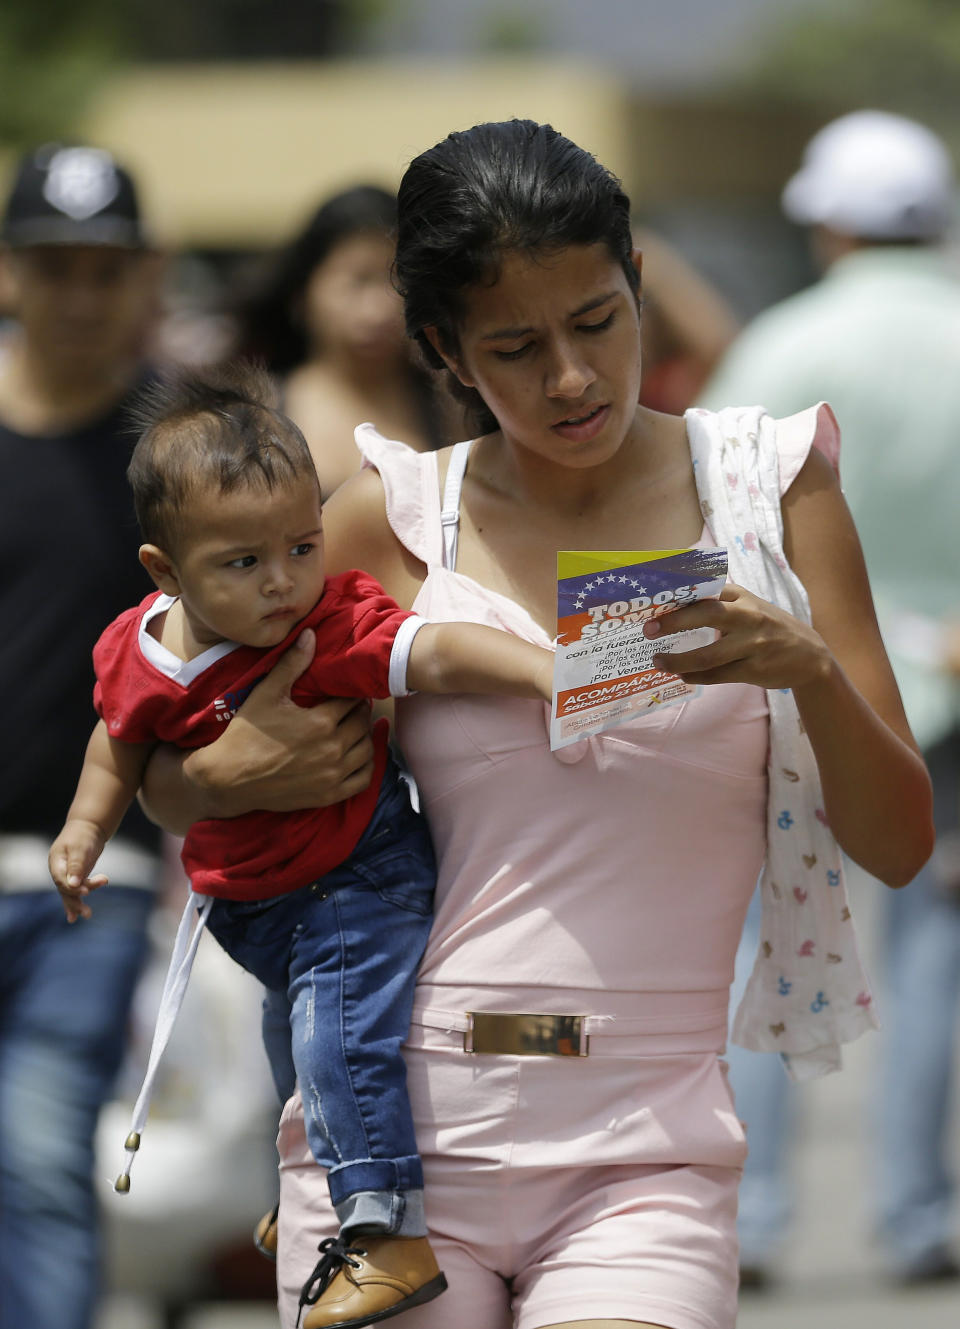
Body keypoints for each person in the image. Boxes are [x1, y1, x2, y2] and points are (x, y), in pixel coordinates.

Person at [139, 120, 933, 1329]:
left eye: (600, 321)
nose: (570, 376)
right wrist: (227, 777)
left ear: (640, 296)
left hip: (651, 1153)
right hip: (393, 1148)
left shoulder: (772, 488)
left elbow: (901, 844)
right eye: (516, 346)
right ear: (445, 352)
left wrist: (809, 674)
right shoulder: (388, 521)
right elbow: (162, 751)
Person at [49, 363, 554, 1329]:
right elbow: (117, 735)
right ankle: (324, 1191)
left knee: (340, 1046)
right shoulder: (141, 644)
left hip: (357, 883)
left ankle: (388, 1231)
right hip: (260, 908)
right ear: (166, 572)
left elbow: (430, 649)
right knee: (294, 1047)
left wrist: (542, 666)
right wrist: (82, 829)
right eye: (243, 563)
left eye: (302, 545)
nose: (282, 579)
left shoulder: (324, 628)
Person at [701, 108, 960, 1286]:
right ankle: (916, 1216)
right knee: (934, 954)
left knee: (761, 941)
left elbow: (706, 505)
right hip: (951, 682)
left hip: (799, 676)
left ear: (832, 225)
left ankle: (751, 1223)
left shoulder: (786, 343)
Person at [0, 144, 165, 1329]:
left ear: (143, 281)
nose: (76, 294)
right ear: (10, 274)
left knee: (41, 1155)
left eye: (102, 270)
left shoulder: (179, 460)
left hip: (93, 879)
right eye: (52, 267)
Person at [234, 184, 453, 494]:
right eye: (358, 281)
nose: (380, 308)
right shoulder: (257, 415)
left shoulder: (454, 408)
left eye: (397, 281)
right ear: (302, 292)